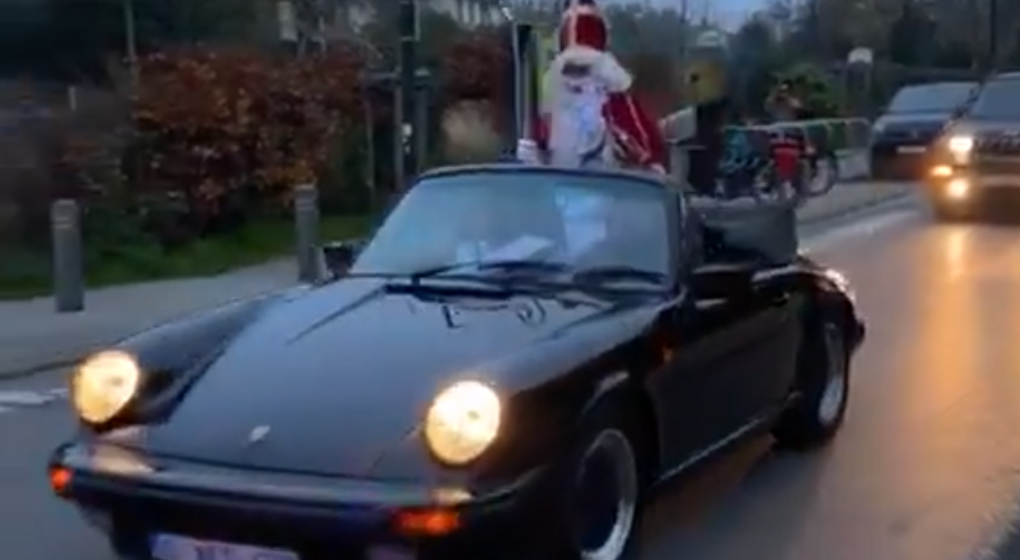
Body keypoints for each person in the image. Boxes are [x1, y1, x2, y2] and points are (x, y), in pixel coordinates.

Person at [516, 0, 667, 173]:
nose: (575, 80)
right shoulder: (550, 111)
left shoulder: (619, 108)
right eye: (570, 70)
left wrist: (618, 140)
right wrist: (532, 156)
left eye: (584, 70)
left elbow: (646, 151)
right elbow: (538, 150)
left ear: (603, 72)